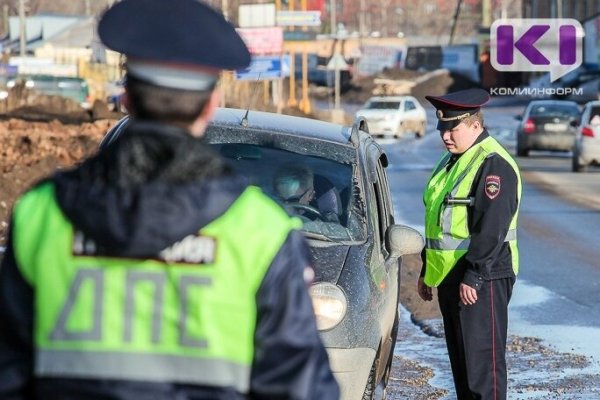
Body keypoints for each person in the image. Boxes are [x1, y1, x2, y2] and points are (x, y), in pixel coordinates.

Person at [0, 0, 339, 399]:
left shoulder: (41, 213)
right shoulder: (261, 231)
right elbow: (299, 388)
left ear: (125, 96)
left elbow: (9, 373)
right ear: (211, 104)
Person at [417, 88, 522, 400]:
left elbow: (492, 227)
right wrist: (427, 269)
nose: (446, 135)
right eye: (442, 129)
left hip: (482, 277)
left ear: (476, 126)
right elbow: (439, 220)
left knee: (482, 372)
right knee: (463, 370)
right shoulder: (451, 161)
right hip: (454, 277)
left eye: (453, 128)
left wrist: (474, 274)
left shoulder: (493, 163)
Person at [273, 163, 342, 223]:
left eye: (293, 200)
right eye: (280, 199)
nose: (285, 206)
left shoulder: (322, 229)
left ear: (310, 195)